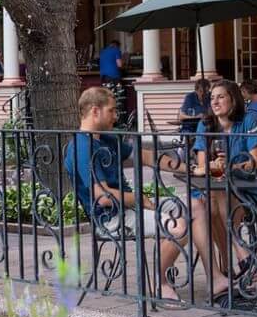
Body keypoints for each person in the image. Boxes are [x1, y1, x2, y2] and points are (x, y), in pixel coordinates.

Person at [63, 87, 190, 302]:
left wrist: (186, 167)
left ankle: (217, 277)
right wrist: (140, 200)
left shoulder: (104, 138)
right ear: (95, 111)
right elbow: (102, 197)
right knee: (179, 228)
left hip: (128, 206)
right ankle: (158, 281)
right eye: (111, 111)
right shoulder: (82, 147)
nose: (116, 116)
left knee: (192, 209)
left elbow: (146, 156)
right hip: (111, 217)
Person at [189, 80, 257, 300]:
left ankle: (223, 271)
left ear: (233, 98)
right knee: (202, 204)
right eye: (212, 98)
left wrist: (232, 165)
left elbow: (256, 162)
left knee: (210, 202)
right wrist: (213, 166)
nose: (215, 101)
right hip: (213, 191)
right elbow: (203, 166)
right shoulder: (206, 124)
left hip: (243, 191)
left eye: (221, 96)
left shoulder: (248, 120)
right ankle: (243, 259)